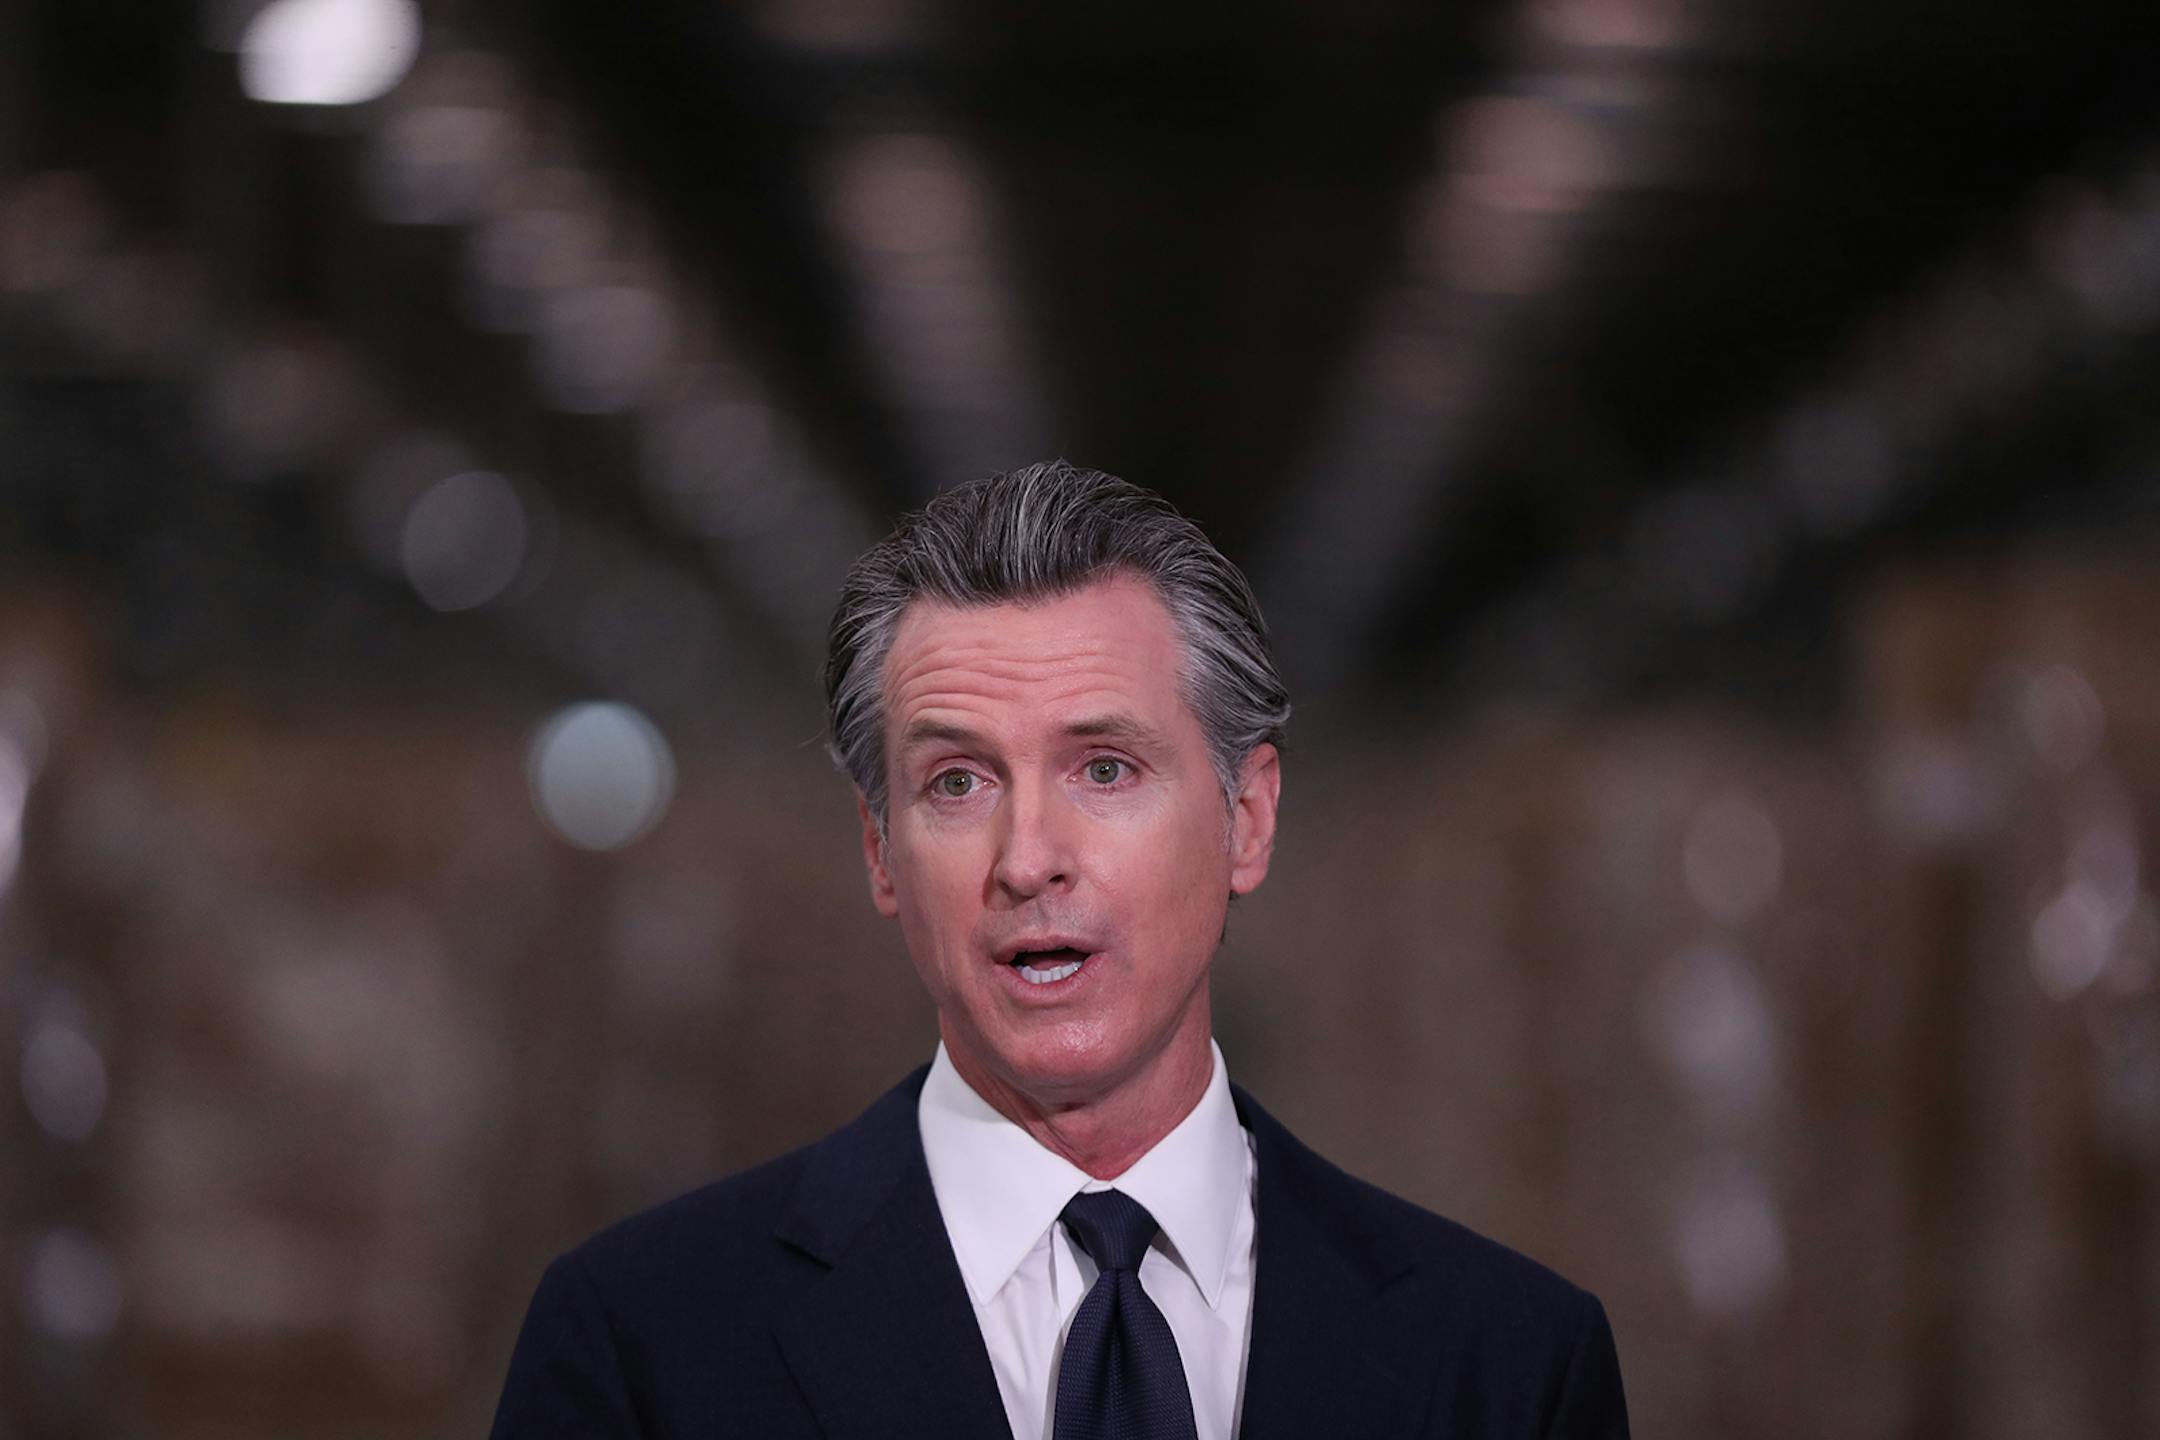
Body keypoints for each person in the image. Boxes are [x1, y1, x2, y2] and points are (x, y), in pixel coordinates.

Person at [489, 461, 1630, 1439]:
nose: (1028, 859)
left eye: (1105, 769)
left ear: (1246, 819)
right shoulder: (640, 1347)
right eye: (957, 782)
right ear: (881, 852)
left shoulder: (1510, 1364)